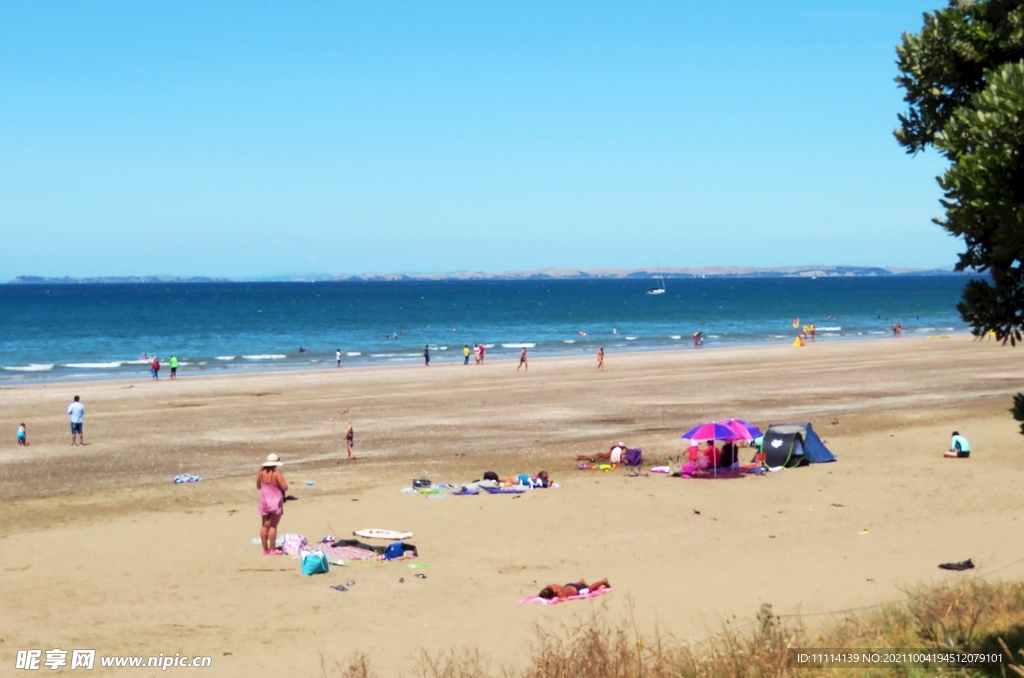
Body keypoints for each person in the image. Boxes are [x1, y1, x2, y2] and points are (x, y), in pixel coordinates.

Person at [257, 454, 288, 555]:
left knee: (264, 525)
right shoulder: (277, 473)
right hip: (275, 500)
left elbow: (258, 486)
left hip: (264, 500)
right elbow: (285, 487)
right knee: (273, 526)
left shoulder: (261, 473)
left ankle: (265, 549)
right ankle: (273, 549)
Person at [538, 579, 611, 600]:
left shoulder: (559, 593)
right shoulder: (550, 586)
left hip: (576, 590)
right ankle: (581, 582)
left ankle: (603, 581)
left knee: (589, 589)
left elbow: (563, 598)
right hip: (568, 585)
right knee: (575, 586)